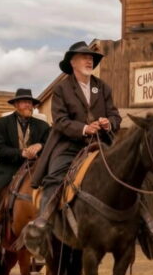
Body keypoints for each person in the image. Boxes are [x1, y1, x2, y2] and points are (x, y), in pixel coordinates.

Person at [30, 41, 122, 227]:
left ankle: (147, 224)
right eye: (84, 57)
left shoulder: (103, 87)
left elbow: (115, 116)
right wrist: (84, 128)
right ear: (72, 63)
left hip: (101, 143)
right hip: (69, 144)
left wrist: (108, 123)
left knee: (125, 170)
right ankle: (43, 223)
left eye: (91, 58)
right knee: (54, 177)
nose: (89, 61)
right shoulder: (61, 89)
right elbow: (61, 121)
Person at [0, 88, 50, 195]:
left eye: (30, 102)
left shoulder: (43, 126)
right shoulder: (1, 123)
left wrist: (40, 146)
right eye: (24, 102)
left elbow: (51, 145)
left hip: (35, 168)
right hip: (8, 169)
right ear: (16, 105)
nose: (28, 105)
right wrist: (21, 153)